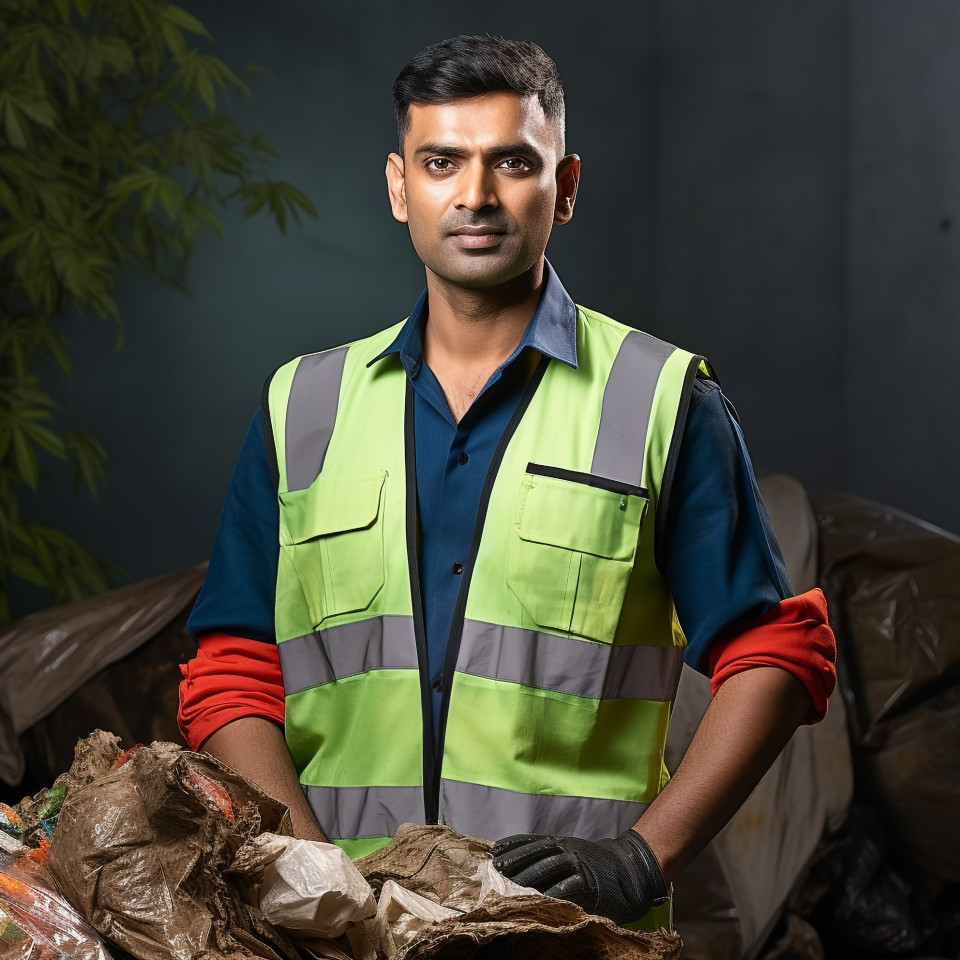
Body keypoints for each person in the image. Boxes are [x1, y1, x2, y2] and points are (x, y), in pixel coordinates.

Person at [179, 35, 837, 930]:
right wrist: (308, 869)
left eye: (512, 163)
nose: (476, 195)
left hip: (565, 935)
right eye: (442, 161)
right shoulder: (303, 406)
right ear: (398, 186)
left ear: (563, 190)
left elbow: (777, 656)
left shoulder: (662, 401)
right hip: (343, 935)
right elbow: (233, 667)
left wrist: (641, 858)